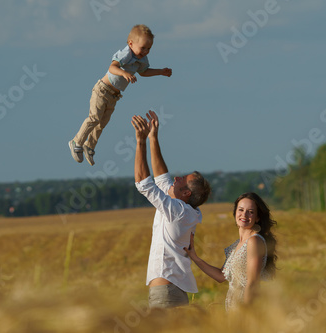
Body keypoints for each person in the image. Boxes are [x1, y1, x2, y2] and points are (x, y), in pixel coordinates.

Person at [132, 110, 211, 309]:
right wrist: (152, 138)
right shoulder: (187, 210)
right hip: (172, 291)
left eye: (182, 180)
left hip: (165, 293)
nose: (176, 178)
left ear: (185, 194)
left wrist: (140, 142)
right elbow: (162, 179)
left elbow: (145, 184)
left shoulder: (178, 211)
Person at [69, 24, 172, 166]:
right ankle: (77, 141)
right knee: (94, 118)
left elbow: (143, 72)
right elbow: (112, 67)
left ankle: (89, 146)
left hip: (114, 96)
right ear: (131, 43)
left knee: (102, 123)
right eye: (143, 48)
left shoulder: (142, 60)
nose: (146, 51)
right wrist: (124, 73)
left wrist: (160, 72)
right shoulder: (126, 54)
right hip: (102, 90)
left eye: (149, 49)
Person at [183, 192, 278, 311]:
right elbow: (220, 276)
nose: (244, 214)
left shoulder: (254, 241)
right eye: (241, 210)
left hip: (245, 309)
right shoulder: (236, 245)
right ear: (235, 213)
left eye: (251, 212)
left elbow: (252, 283)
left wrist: (246, 314)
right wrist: (195, 257)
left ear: (257, 217)